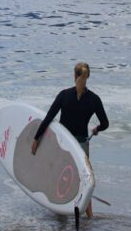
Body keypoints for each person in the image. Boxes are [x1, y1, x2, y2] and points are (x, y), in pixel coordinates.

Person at [30, 62, 109, 218]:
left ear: (74, 76)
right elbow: (105, 123)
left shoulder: (64, 95)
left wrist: (36, 139)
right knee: (84, 181)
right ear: (88, 77)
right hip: (81, 147)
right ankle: (89, 218)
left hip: (64, 145)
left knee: (61, 180)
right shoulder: (94, 99)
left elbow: (48, 118)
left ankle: (62, 216)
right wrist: (97, 129)